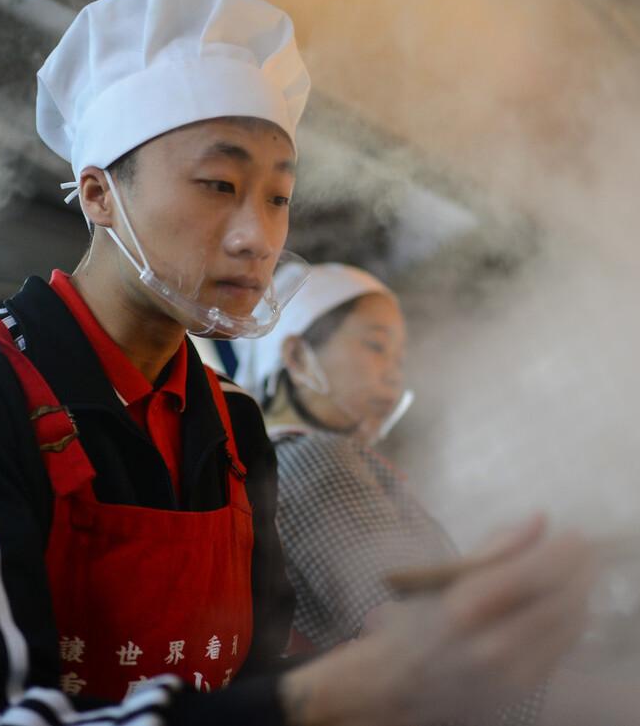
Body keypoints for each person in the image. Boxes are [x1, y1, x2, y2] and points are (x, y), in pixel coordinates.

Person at [0, 0, 593, 726]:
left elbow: (250, 676)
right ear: (99, 194)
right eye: (217, 184)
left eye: (278, 197)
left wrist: (428, 642)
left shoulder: (234, 421)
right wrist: (335, 692)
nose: (258, 238)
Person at [234, 263, 548, 725]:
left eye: (399, 360)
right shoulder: (317, 457)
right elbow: (427, 646)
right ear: (297, 357)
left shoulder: (282, 461)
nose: (393, 376)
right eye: (376, 346)